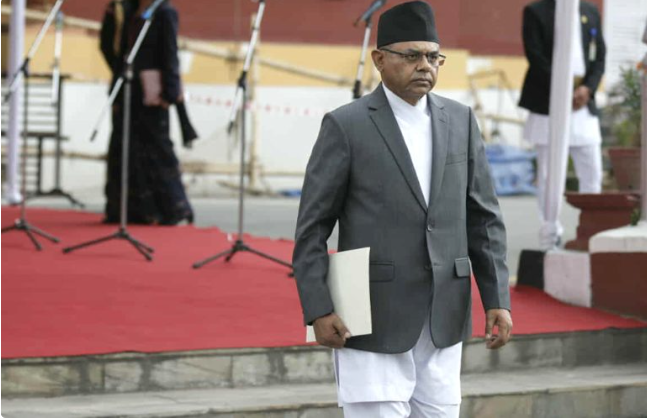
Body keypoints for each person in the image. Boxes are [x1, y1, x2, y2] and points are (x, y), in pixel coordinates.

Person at [292, 2, 512, 417]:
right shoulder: (347, 125)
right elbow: (312, 228)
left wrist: (497, 298)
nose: (424, 66)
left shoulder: (461, 120)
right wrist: (318, 308)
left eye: (433, 57)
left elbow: (484, 219)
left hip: (444, 311)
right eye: (411, 56)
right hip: (371, 314)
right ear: (379, 59)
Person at [519, 0, 606, 245]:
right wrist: (563, 89)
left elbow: (599, 55)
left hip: (582, 102)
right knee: (548, 174)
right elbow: (535, 56)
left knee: (592, 169)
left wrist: (587, 88)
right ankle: (551, 232)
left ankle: (591, 229)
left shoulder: (589, 11)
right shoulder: (536, 12)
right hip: (548, 99)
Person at [99, 0, 193, 225]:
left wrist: (170, 92)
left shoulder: (165, 12)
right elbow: (116, 51)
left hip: (151, 94)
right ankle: (132, 210)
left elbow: (170, 54)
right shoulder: (128, 10)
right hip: (128, 90)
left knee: (156, 149)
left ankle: (171, 209)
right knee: (126, 149)